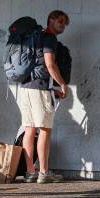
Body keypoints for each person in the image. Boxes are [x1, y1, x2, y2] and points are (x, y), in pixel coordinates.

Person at [19, 10, 70, 183]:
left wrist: (51, 89)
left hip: (26, 87)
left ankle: (30, 171)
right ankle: (44, 171)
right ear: (51, 20)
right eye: (60, 21)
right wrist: (62, 83)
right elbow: (50, 64)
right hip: (39, 88)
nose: (63, 25)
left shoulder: (35, 37)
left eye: (64, 23)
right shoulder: (49, 38)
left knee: (29, 128)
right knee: (45, 129)